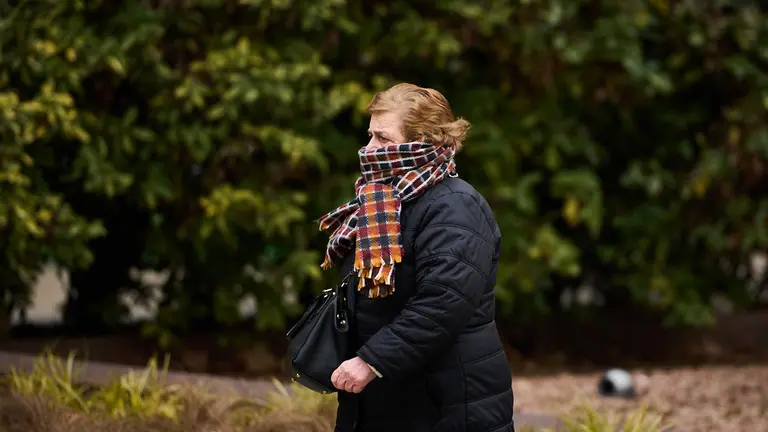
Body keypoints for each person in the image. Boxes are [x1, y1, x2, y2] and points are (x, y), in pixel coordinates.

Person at [316, 83, 515, 432]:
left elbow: (443, 302)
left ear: (423, 144)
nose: (369, 150)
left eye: (384, 140)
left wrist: (370, 361)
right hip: (390, 397)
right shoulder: (383, 201)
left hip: (447, 406)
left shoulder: (455, 207)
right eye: (370, 137)